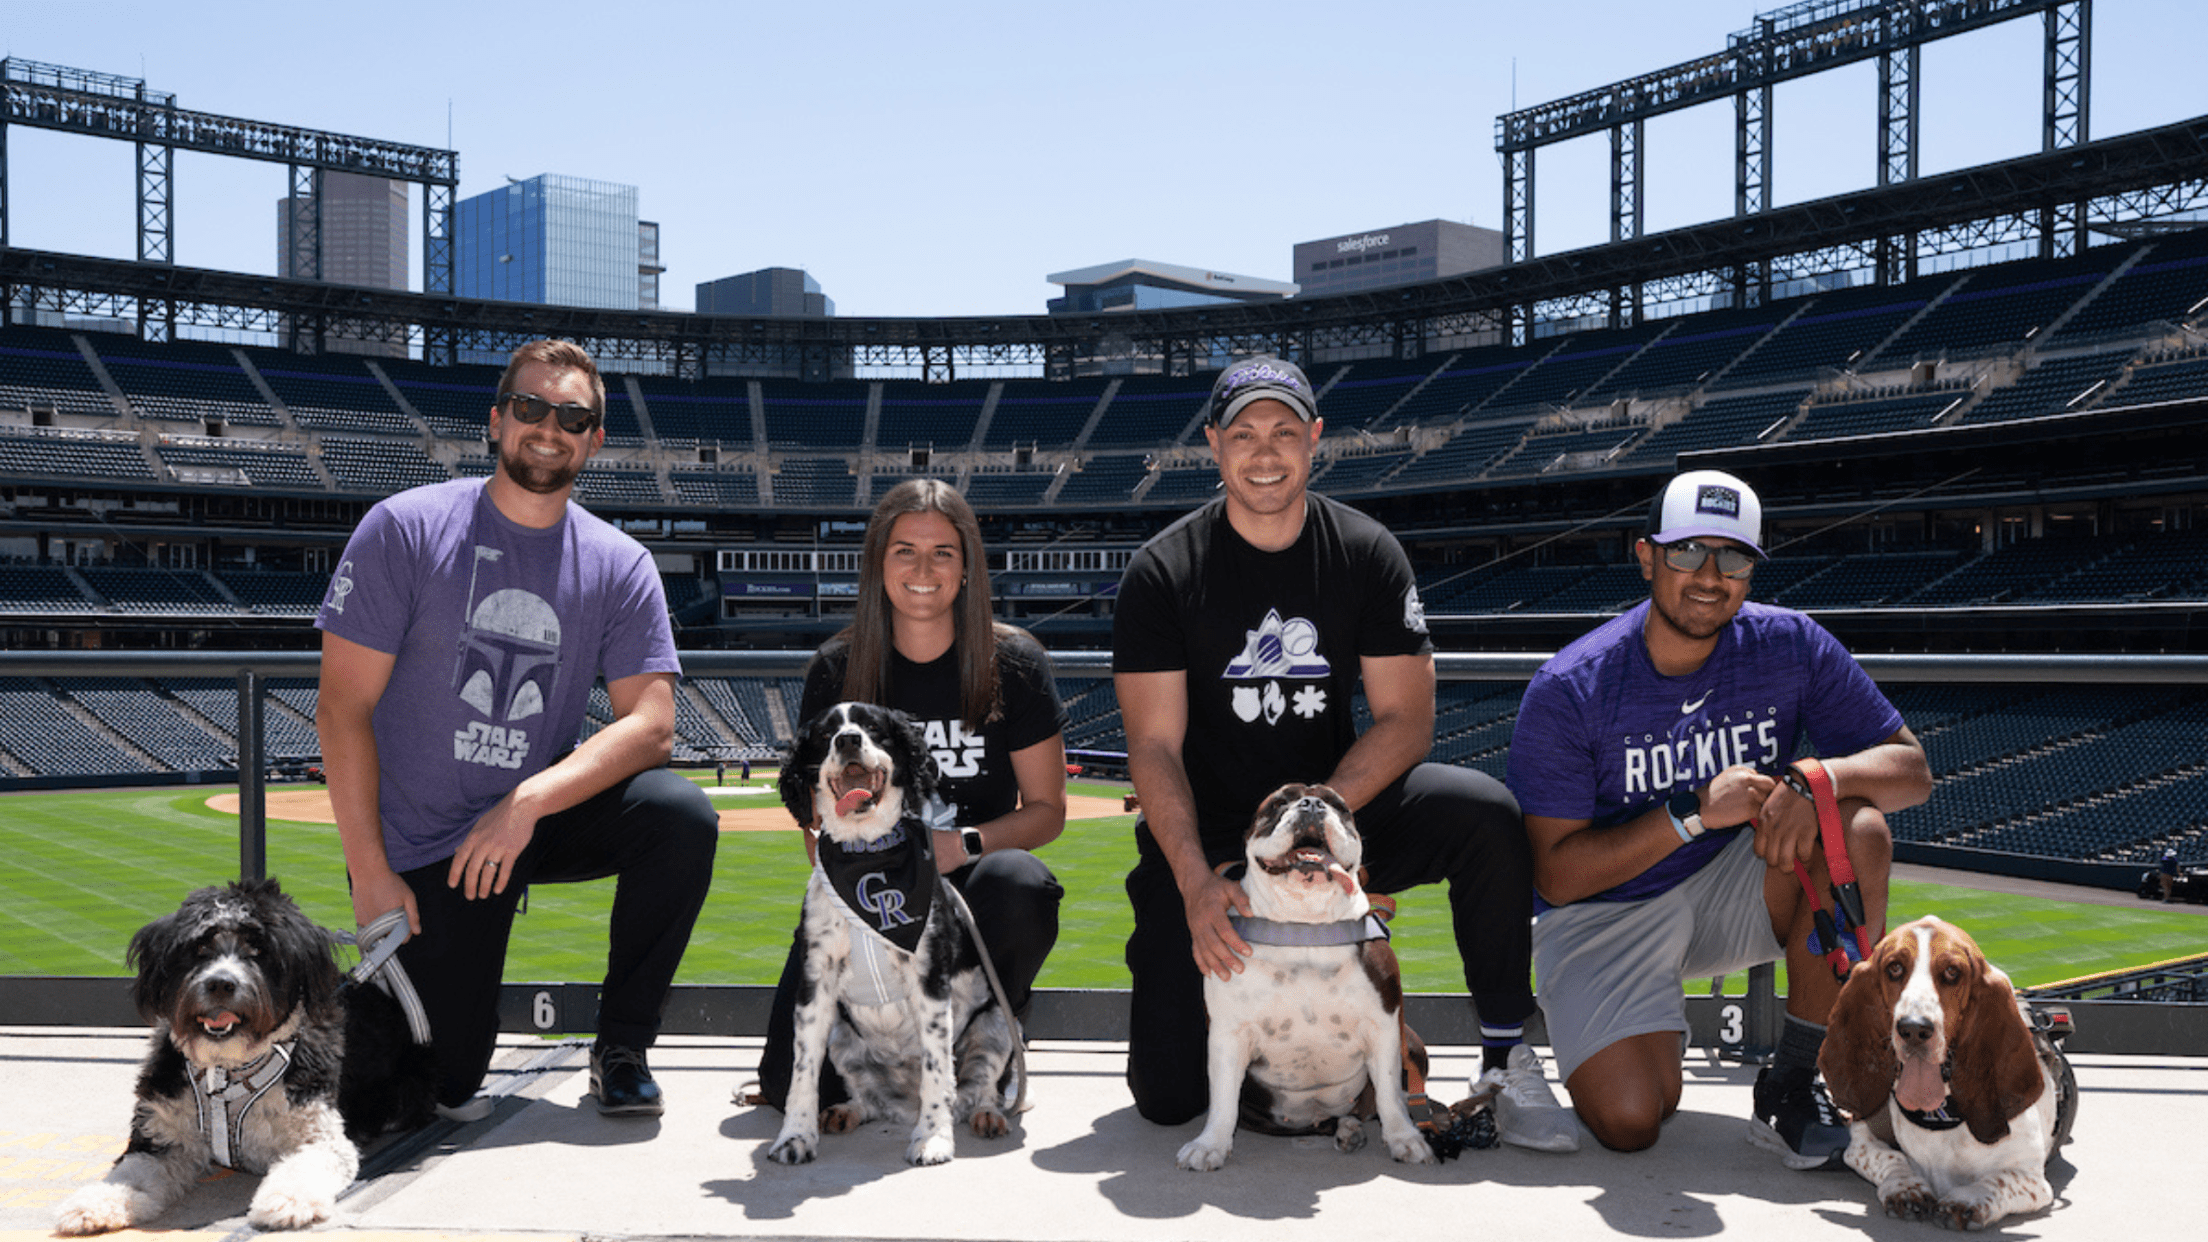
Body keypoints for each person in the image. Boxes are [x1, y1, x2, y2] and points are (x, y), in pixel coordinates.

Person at [1112, 355, 1578, 1152]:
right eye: (1246, 433)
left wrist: (1317, 826)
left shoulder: (1365, 551)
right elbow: (1153, 745)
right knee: (1168, 1096)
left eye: (1285, 432)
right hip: (1217, 831)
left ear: (1316, 440)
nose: (1266, 452)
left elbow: (1406, 720)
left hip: (1338, 806)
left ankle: (1504, 1052)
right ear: (1215, 445)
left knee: (1484, 815)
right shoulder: (1163, 570)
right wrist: (1194, 881)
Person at [316, 339, 718, 1121]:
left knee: (678, 815)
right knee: (445, 1081)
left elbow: (653, 723)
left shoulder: (620, 561)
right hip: (427, 843)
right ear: (497, 420)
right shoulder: (405, 527)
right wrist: (370, 872)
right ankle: (312, 1016)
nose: (549, 427)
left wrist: (527, 802)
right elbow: (342, 708)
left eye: (573, 416)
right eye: (530, 408)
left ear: (595, 440)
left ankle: (624, 1045)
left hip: (530, 815)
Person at [1506, 468, 1932, 1165]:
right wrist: (1692, 813)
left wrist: (1814, 776)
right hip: (1600, 911)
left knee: (1854, 827)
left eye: (1732, 556)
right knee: (1630, 1119)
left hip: (1731, 887)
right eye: (1687, 552)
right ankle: (1638, 1020)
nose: (1710, 575)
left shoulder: (1790, 644)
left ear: (1752, 570)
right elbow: (1554, 876)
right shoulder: (1570, 686)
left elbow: (1910, 771)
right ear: (1647, 556)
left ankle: (1798, 1079)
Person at [751, 478, 1068, 1109]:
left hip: (968, 879)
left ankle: (988, 1043)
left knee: (1022, 883)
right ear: (878, 563)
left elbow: (1048, 811)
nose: (924, 569)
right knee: (786, 1086)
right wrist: (881, 869)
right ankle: (891, 1048)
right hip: (868, 883)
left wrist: (961, 845)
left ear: (967, 566)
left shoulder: (1017, 663)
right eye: (904, 550)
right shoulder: (838, 668)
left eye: (943, 552)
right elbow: (816, 829)